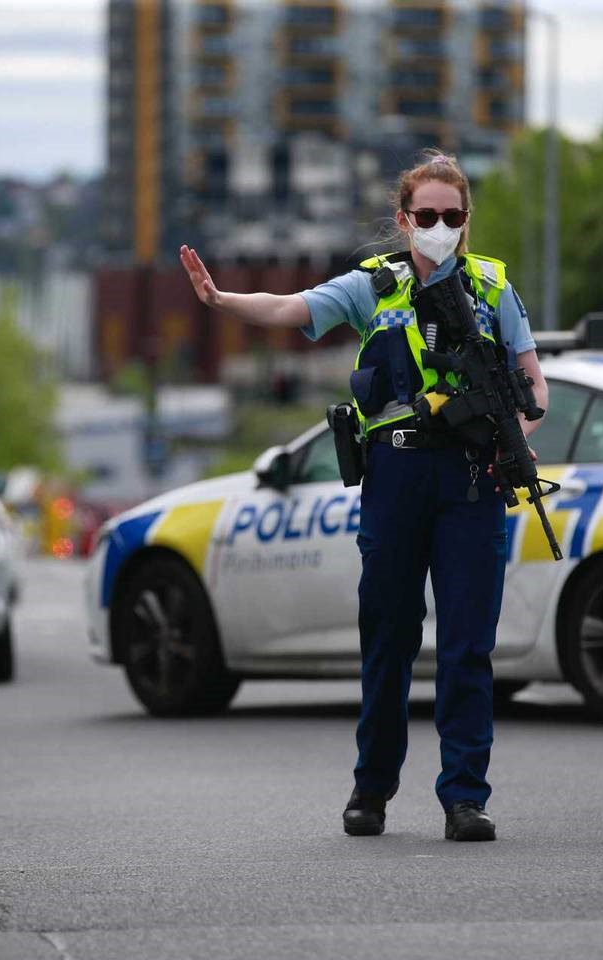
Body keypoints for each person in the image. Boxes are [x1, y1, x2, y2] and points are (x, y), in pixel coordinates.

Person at [180, 151, 548, 842]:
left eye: (453, 216)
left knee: (468, 646)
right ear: (405, 219)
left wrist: (514, 438)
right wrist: (224, 301)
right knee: (388, 638)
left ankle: (465, 797)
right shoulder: (374, 284)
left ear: (467, 220)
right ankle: (371, 789)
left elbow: (534, 383)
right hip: (397, 477)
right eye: (427, 215)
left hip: (471, 480)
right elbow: (291, 308)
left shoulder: (494, 287)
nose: (440, 227)